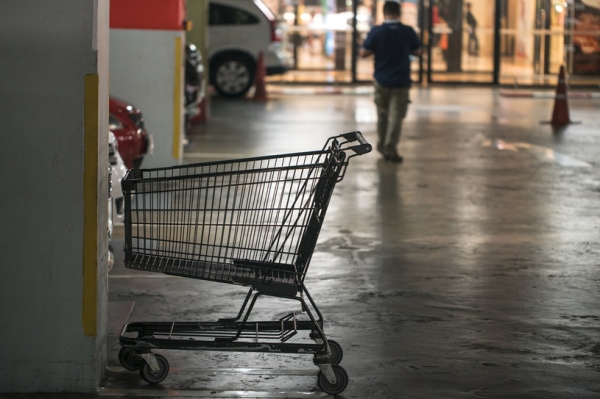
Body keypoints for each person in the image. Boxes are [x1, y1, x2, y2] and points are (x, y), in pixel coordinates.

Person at [360, 0, 422, 163]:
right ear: (399, 13)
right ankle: (390, 147)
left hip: (382, 80)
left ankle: (382, 145)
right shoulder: (407, 31)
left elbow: (364, 53)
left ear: (384, 13)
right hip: (401, 80)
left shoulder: (377, 31)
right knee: (396, 117)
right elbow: (419, 52)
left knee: (382, 115)